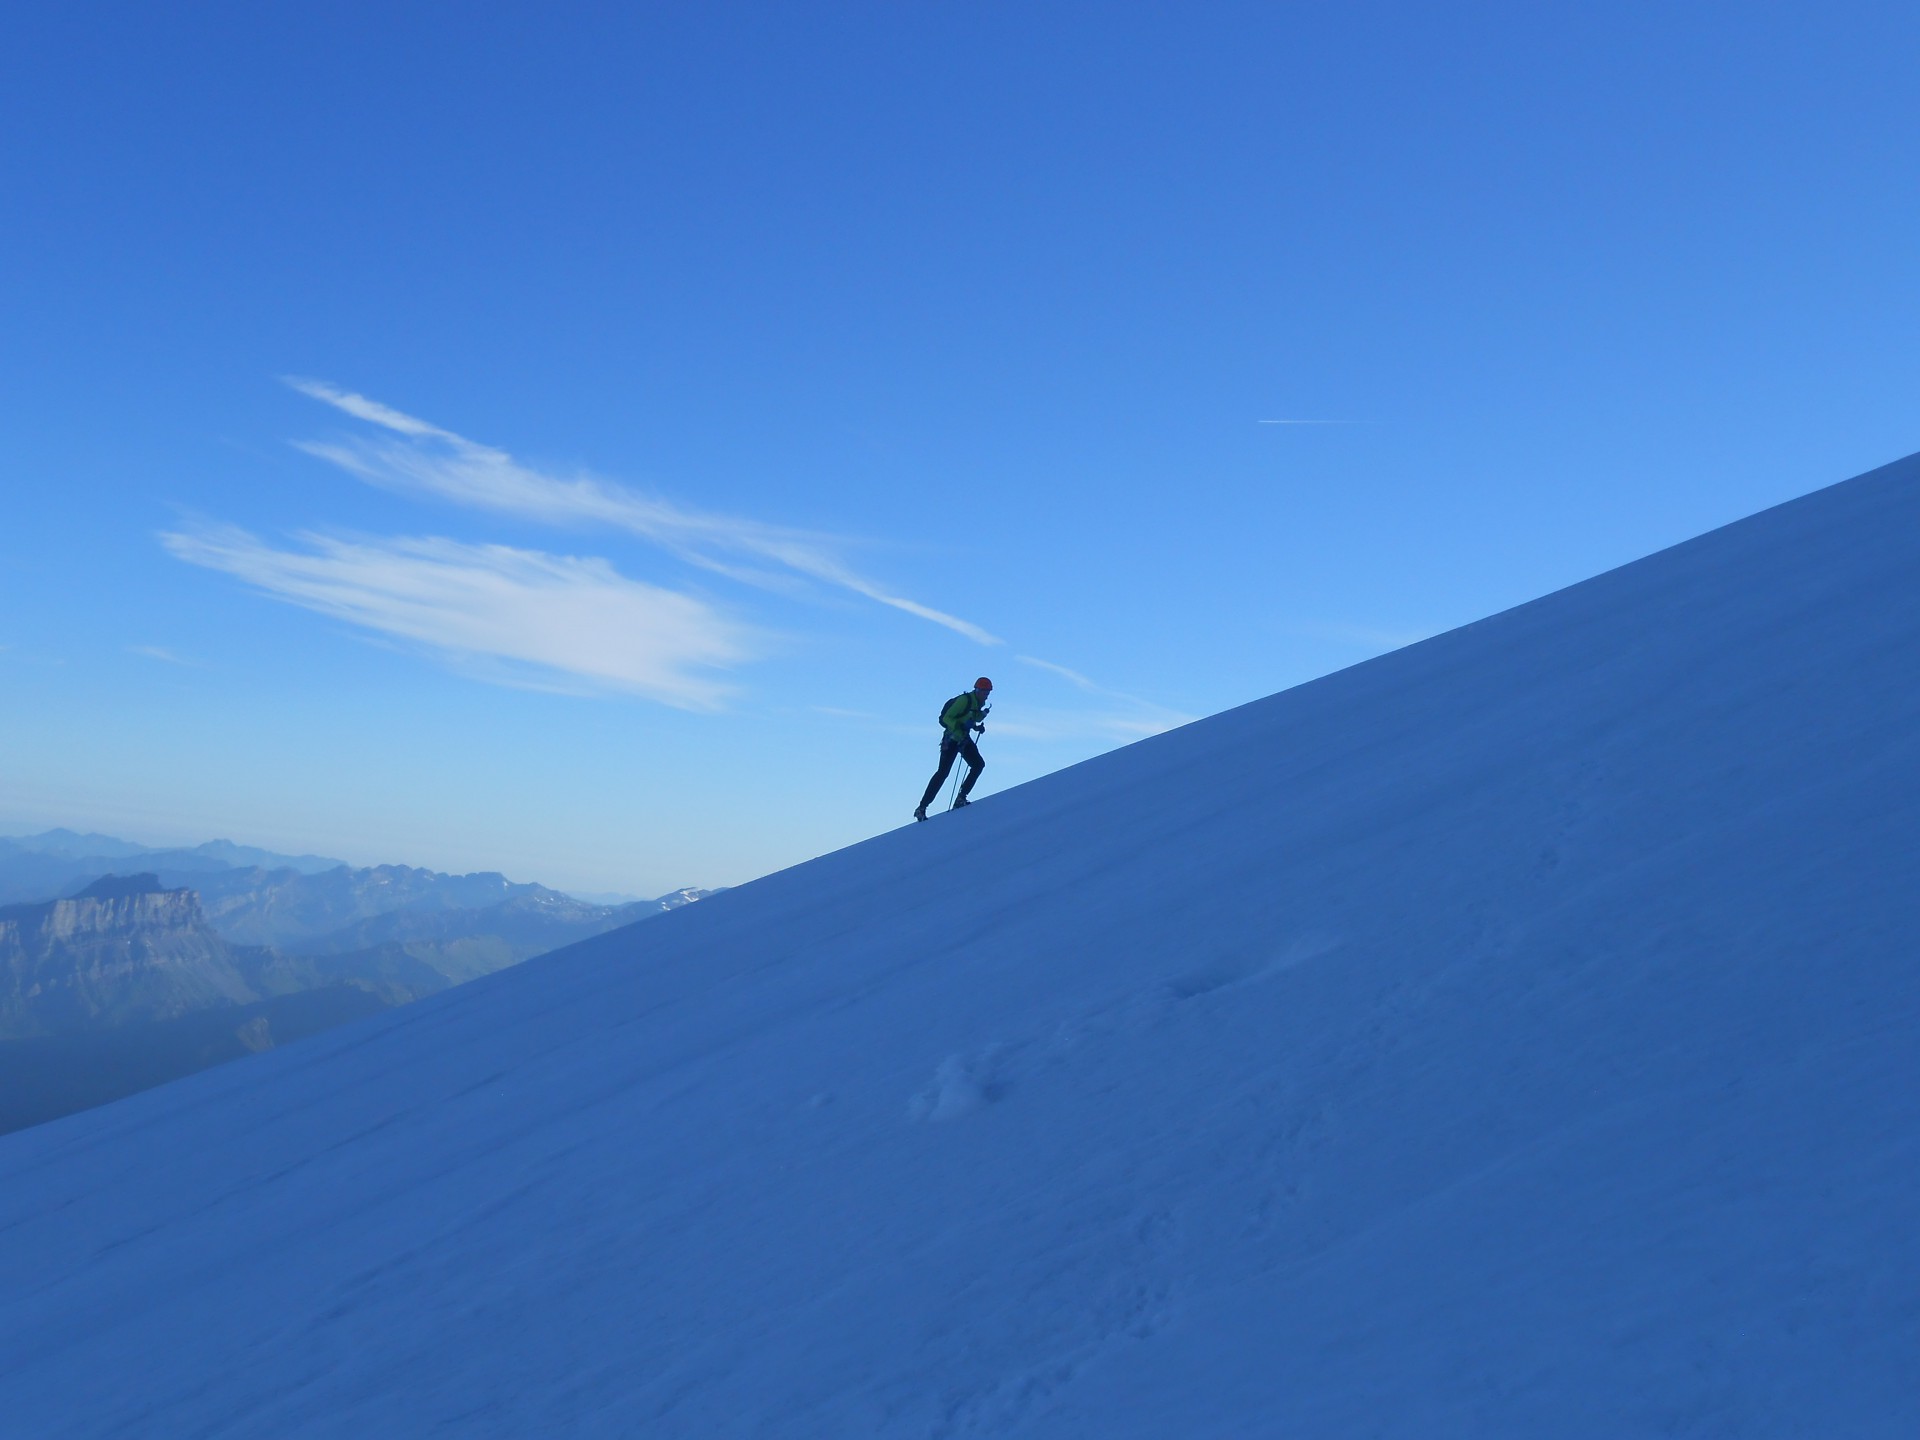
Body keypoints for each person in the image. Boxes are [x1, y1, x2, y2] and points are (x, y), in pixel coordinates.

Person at [915, 677, 992, 820]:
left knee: (977, 765)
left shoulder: (976, 702)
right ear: (978, 690)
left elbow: (971, 718)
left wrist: (976, 724)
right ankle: (923, 807)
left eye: (988, 693)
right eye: (985, 692)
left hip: (960, 738)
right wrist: (960, 727)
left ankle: (959, 798)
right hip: (952, 739)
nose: (986, 695)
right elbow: (946, 718)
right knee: (944, 773)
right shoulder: (965, 700)